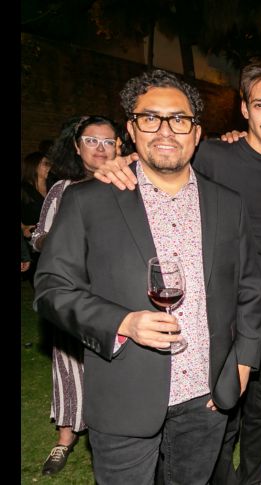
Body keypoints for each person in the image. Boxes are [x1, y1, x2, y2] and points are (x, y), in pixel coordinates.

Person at [33, 69, 261, 484]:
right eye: (150, 118)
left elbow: (249, 288)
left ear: (196, 132)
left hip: (205, 397)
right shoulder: (88, 200)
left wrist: (243, 363)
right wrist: (123, 322)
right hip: (125, 395)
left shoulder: (228, 204)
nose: (165, 130)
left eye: (179, 119)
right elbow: (51, 288)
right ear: (131, 129)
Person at [94, 59, 261, 485]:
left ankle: (254, 479)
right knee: (220, 409)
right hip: (226, 304)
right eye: (260, 104)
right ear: (244, 109)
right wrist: (118, 163)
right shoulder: (212, 152)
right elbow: (160, 157)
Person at [32, 115, 121, 476]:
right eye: (92, 141)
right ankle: (65, 438)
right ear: (76, 146)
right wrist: (68, 243)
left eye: (108, 142)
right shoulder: (64, 190)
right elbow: (38, 237)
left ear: (120, 146)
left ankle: (113, 430)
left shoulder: (126, 184)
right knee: (69, 365)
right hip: (74, 293)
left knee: (114, 365)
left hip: (115, 293)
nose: (101, 149)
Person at [20, 151, 51, 285]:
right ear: (34, 166)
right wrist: (23, 227)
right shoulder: (24, 189)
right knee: (39, 276)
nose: (49, 167)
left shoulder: (53, 185)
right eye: (45, 164)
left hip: (53, 236)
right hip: (33, 240)